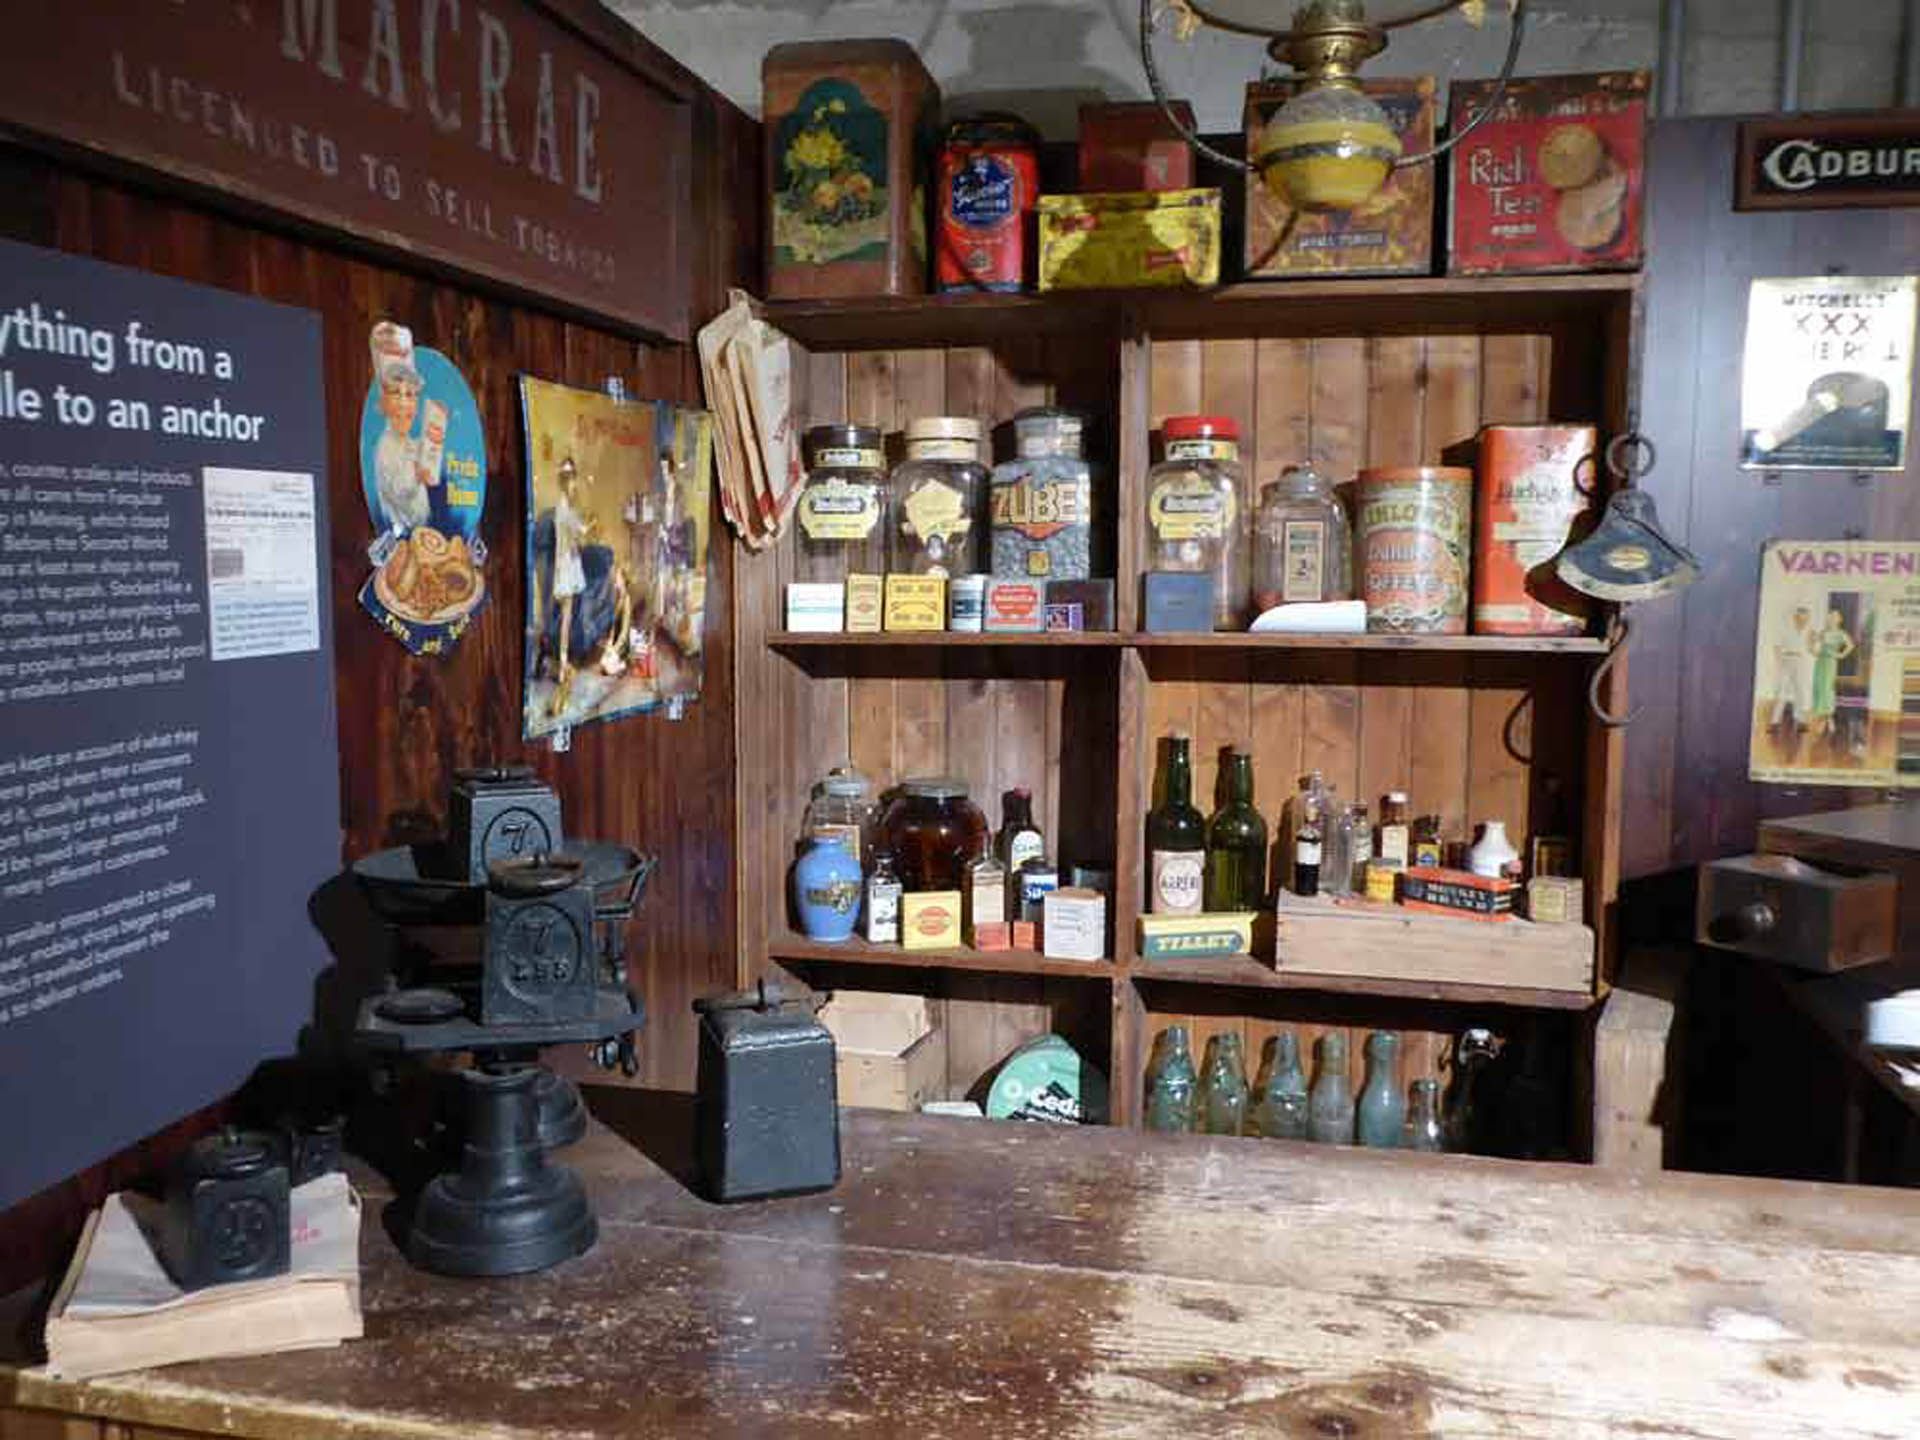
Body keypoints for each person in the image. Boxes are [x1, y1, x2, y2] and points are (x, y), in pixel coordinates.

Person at [373, 361, 434, 531]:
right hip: (402, 534)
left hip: (422, 530)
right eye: (396, 393)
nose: (404, 403)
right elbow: (397, 491)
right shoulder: (386, 447)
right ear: (384, 404)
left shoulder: (410, 444)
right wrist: (416, 476)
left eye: (410, 395)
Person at [1810, 607, 1857, 742]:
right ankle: (1827, 719)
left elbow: (1850, 645)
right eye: (1830, 617)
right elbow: (1814, 646)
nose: (1832, 619)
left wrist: (1840, 655)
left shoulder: (1841, 634)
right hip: (1820, 662)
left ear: (1839, 619)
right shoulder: (1823, 632)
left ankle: (1825, 720)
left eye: (1835, 617)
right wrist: (1812, 643)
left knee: (1827, 690)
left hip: (1831, 663)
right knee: (1819, 689)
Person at [1769, 603, 1815, 736]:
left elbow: (1813, 647)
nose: (1803, 621)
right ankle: (1774, 723)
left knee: (1800, 691)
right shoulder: (1785, 629)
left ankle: (1800, 722)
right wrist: (1780, 662)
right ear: (1795, 617)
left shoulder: (1809, 632)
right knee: (1781, 692)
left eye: (1806, 618)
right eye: (1800, 618)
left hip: (1801, 662)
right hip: (1787, 660)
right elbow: (1777, 647)